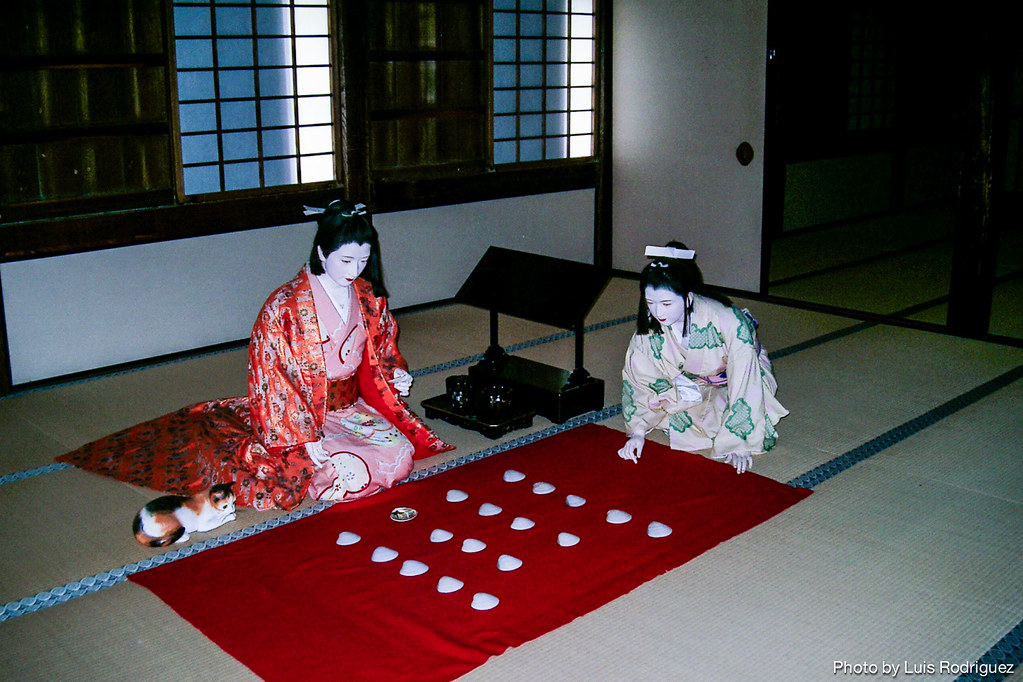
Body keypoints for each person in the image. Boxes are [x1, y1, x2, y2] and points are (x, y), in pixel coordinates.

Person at [58, 200, 452, 511]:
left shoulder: (367, 296)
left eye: (363, 260)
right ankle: (323, 466)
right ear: (321, 250)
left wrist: (393, 373)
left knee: (400, 457)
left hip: (351, 408)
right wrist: (304, 435)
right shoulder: (285, 306)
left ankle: (338, 462)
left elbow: (381, 350)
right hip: (302, 417)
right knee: (347, 473)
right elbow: (272, 376)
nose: (355, 270)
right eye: (346, 260)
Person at [617, 242, 787, 473]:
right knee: (670, 405)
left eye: (667, 303)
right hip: (693, 381)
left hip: (741, 377)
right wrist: (637, 433)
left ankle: (730, 427)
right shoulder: (651, 324)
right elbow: (639, 376)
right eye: (650, 303)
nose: (658, 312)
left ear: (688, 298)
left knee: (740, 414)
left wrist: (740, 442)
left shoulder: (727, 319)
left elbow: (745, 378)